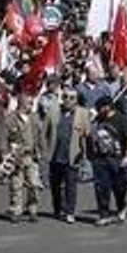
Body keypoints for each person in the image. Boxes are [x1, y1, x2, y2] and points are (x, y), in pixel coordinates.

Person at [38, 88, 90, 224]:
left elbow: (86, 135)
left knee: (71, 186)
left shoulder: (83, 113)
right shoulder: (53, 111)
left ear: (76, 100)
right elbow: (44, 133)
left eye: (72, 98)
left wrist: (85, 155)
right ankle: (58, 209)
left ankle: (70, 211)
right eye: (65, 97)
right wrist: (43, 150)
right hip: (55, 155)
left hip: (73, 155)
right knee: (55, 186)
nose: (68, 100)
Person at [90, 98, 127, 225]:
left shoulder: (121, 119)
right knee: (101, 188)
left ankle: (122, 206)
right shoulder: (98, 119)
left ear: (107, 107)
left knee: (119, 188)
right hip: (100, 159)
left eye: (100, 108)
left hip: (117, 159)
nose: (98, 110)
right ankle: (103, 215)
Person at [4, 92, 41, 222]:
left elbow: (39, 136)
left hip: (31, 156)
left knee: (34, 185)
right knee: (16, 186)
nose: (31, 105)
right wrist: (5, 153)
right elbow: (4, 138)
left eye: (32, 103)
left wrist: (41, 151)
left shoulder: (34, 117)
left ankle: (32, 209)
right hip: (17, 157)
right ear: (21, 103)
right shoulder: (11, 119)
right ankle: (16, 210)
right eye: (29, 103)